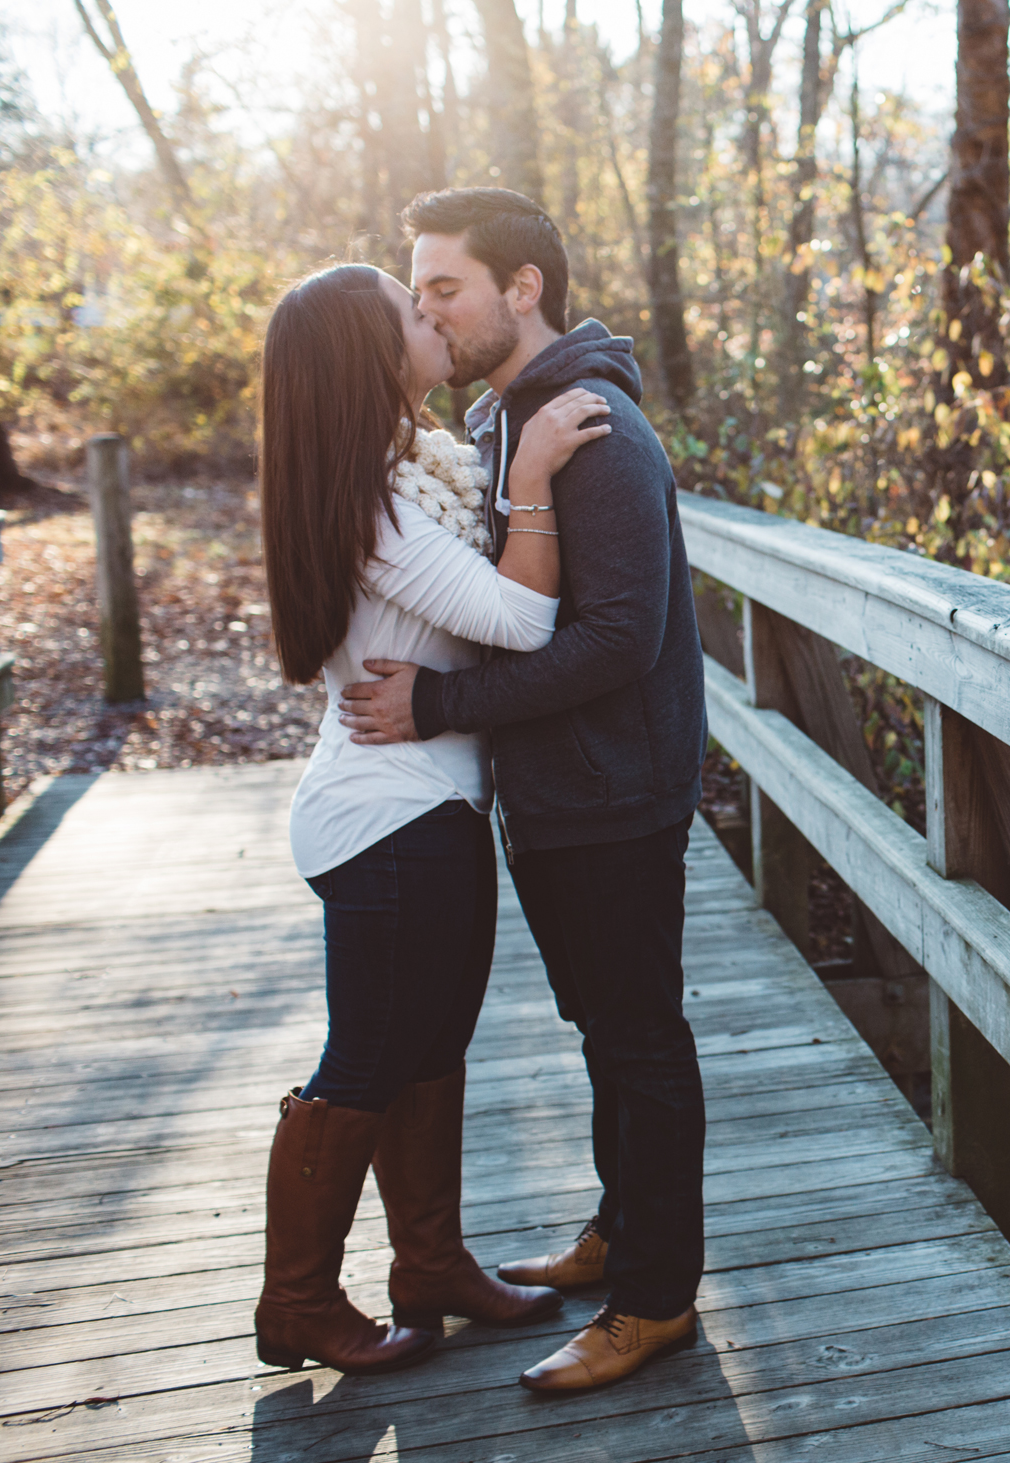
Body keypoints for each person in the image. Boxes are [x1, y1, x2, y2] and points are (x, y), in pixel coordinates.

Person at [338, 188, 710, 1393]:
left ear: (522, 289)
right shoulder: (509, 419)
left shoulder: (592, 427)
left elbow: (613, 640)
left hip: (612, 794)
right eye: (421, 293)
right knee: (603, 1027)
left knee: (639, 1035)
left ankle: (655, 1300)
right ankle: (623, 1231)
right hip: (555, 791)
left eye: (443, 286)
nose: (430, 312)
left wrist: (437, 707)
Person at [255, 263, 611, 1373]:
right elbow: (517, 619)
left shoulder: (407, 476)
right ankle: (298, 1302)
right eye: (412, 312)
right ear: (371, 354)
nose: (432, 319)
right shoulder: (380, 505)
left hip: (430, 805)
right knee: (364, 1059)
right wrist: (540, 473)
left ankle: (433, 1264)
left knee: (429, 1046)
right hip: (388, 823)